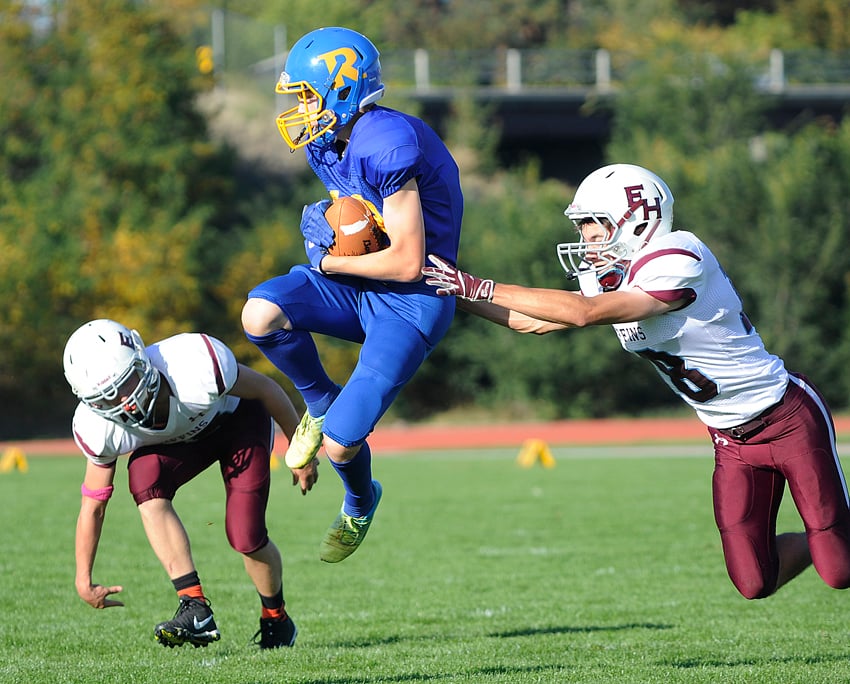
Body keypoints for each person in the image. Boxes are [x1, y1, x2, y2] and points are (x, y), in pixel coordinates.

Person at [422, 163, 850, 600]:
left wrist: (478, 285)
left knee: (841, 569)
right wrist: (449, 291)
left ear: (639, 219)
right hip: (731, 440)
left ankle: (833, 543)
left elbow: (584, 312)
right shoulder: (608, 274)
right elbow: (532, 322)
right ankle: (822, 543)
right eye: (582, 224)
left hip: (788, 417)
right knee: (755, 582)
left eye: (595, 223)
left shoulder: (679, 255)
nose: (586, 236)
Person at [241, 27, 462, 563]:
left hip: (411, 299)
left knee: (342, 445)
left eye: (306, 96)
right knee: (260, 313)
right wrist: (338, 234)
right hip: (360, 283)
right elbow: (362, 222)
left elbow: (408, 260)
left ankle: (361, 500)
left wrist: (326, 258)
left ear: (339, 88)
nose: (300, 109)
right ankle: (319, 400)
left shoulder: (386, 142)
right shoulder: (328, 140)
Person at [63, 319, 319, 649]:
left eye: (127, 385)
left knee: (245, 535)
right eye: (106, 400)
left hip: (237, 423)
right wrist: (83, 578)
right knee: (143, 476)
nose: (125, 403)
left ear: (142, 359)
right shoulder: (98, 428)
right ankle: (194, 606)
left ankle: (276, 617)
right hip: (182, 443)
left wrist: (301, 450)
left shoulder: (195, 363)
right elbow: (94, 506)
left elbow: (267, 389)